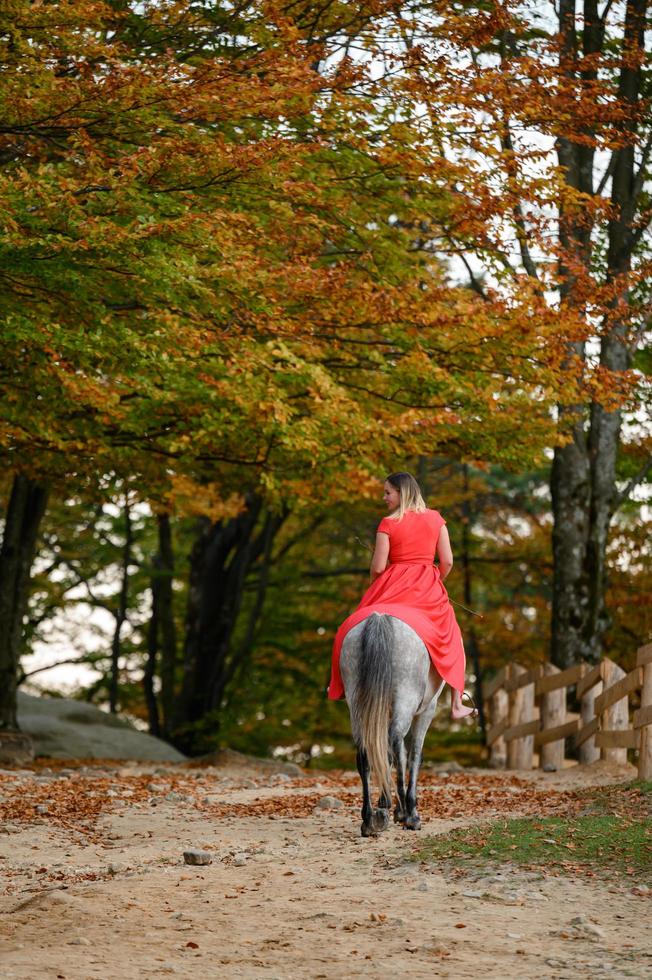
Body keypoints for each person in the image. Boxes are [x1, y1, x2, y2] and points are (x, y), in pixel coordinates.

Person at [328, 470, 476, 721]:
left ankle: (340, 686)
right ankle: (457, 703)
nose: (384, 498)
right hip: (427, 587)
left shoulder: (387, 524)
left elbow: (377, 567)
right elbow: (447, 561)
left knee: (349, 628)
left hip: (391, 587)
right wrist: (434, 581)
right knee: (452, 635)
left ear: (401, 492)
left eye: (388, 492)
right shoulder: (436, 519)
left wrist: (380, 585)